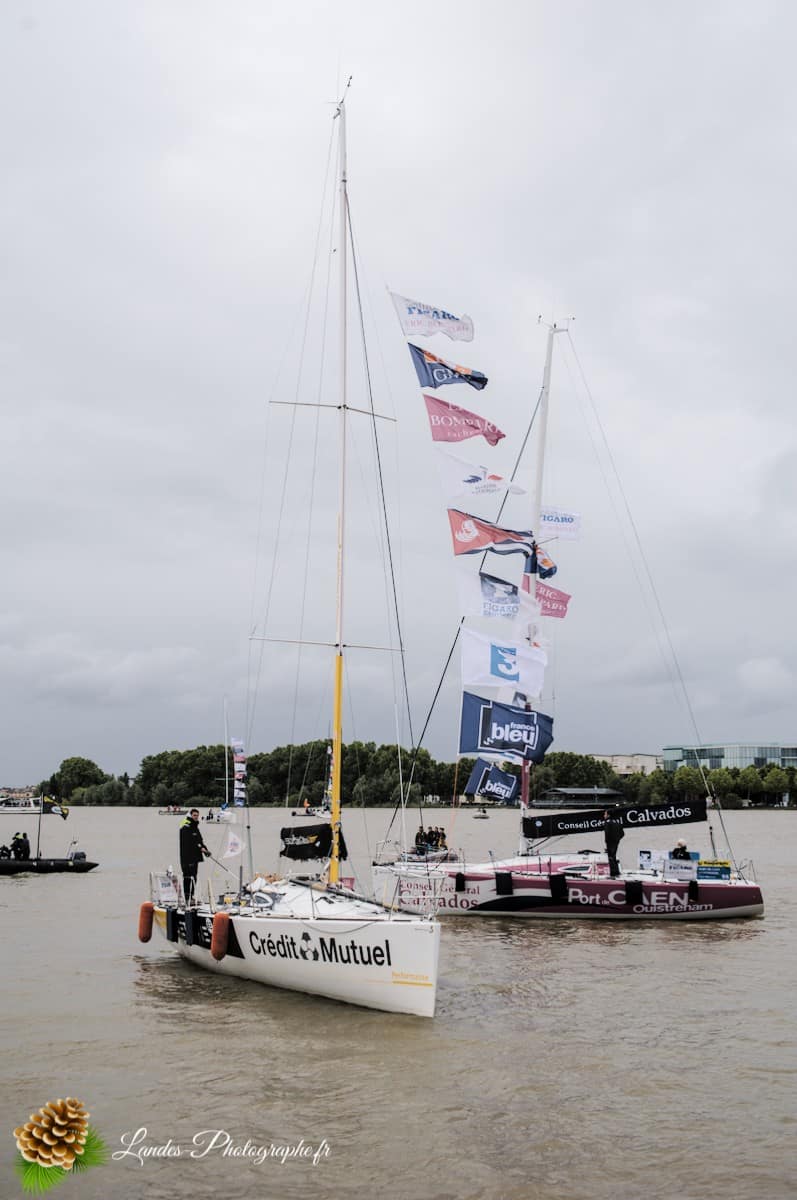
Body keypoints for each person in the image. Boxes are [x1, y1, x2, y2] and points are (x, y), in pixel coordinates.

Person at [179, 808, 211, 904]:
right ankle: (187, 898)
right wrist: (200, 847)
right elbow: (189, 843)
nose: (196, 817)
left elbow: (199, 840)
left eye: (197, 815)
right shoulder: (185, 827)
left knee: (194, 877)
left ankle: (191, 897)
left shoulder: (195, 826)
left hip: (195, 858)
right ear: (190, 815)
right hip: (187, 858)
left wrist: (206, 850)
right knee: (188, 878)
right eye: (194, 815)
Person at [603, 808, 625, 878]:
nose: (604, 815)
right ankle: (617, 871)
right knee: (614, 856)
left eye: (605, 814)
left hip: (610, 842)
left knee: (610, 857)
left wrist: (606, 841)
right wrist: (617, 839)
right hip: (616, 842)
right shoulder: (617, 822)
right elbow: (622, 834)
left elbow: (607, 833)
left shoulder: (607, 822)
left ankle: (613, 873)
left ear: (608, 815)